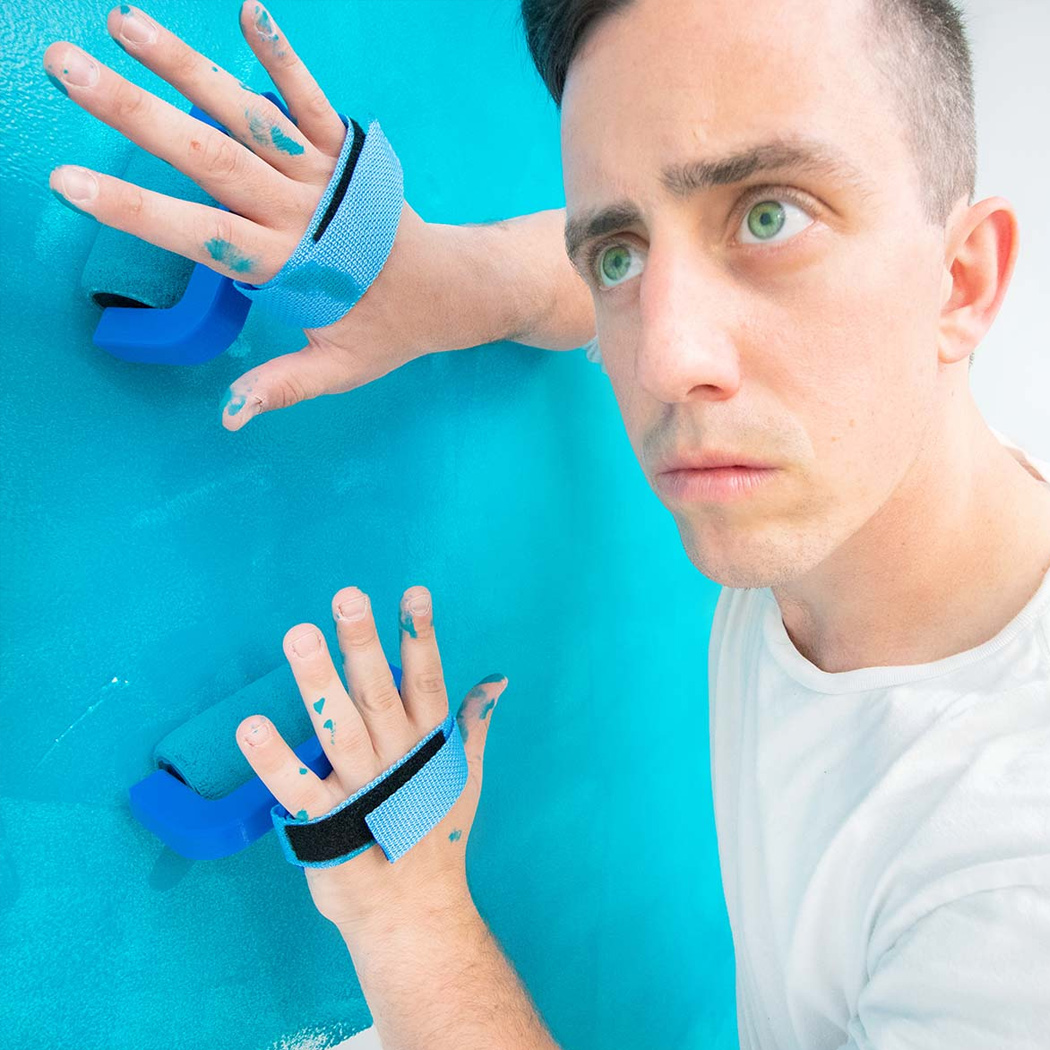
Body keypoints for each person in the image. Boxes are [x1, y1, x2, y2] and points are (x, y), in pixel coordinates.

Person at [43, 0, 1049, 1047]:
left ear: (962, 281)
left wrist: (411, 917)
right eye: (619, 253)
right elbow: (583, 278)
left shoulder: (1009, 910)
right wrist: (442, 281)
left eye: (769, 217)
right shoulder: (838, 483)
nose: (664, 362)